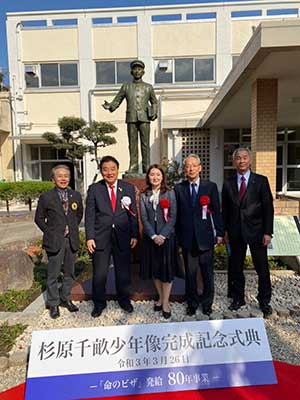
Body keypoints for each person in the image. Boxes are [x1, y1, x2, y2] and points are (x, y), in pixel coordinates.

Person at [222, 148, 274, 317]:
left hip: (257, 231)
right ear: (234, 161)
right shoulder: (228, 182)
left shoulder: (261, 181)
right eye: (238, 158)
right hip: (236, 231)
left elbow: (268, 208)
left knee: (262, 268)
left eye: (245, 158)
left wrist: (268, 232)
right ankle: (238, 298)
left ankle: (264, 300)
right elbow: (225, 210)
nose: (242, 161)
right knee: (236, 267)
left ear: (250, 160)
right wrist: (225, 231)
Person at [85, 155, 138, 318]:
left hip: (122, 235)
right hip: (101, 236)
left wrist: (134, 234)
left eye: (112, 169)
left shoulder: (127, 188)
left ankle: (124, 300)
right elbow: (90, 215)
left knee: (123, 270)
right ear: (101, 172)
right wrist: (89, 237)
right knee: (100, 272)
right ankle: (99, 303)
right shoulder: (95, 189)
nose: (109, 172)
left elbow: (133, 213)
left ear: (117, 170)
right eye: (105, 169)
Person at [174, 154, 223, 316]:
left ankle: (207, 303)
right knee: (190, 273)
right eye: (187, 166)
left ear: (200, 168)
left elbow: (216, 211)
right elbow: (177, 215)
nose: (191, 168)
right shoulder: (179, 188)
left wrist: (220, 233)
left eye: (194, 165)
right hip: (187, 239)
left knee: (207, 272)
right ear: (184, 169)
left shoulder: (210, 187)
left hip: (206, 237)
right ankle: (192, 303)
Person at [35, 165, 83, 319]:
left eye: (66, 176)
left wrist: (72, 228)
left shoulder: (75, 195)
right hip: (55, 240)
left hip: (71, 239)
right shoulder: (46, 197)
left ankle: (66, 298)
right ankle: (54, 303)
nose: (63, 179)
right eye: (60, 176)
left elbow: (79, 214)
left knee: (69, 272)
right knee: (53, 274)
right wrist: (50, 232)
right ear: (53, 179)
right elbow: (39, 218)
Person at [140, 165, 183, 319]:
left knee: (167, 271)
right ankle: (160, 297)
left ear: (162, 177)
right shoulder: (144, 195)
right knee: (155, 270)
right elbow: (144, 218)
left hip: (167, 237)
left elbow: (173, 216)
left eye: (158, 174)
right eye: (152, 174)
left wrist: (163, 235)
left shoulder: (170, 193)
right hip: (150, 238)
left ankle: (165, 302)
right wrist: (153, 236)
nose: (155, 177)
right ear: (148, 177)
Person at [102, 59, 157, 174]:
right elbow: (118, 99)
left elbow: (154, 102)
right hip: (131, 117)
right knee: (132, 144)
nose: (137, 71)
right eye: (135, 69)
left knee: (145, 144)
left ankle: (146, 167)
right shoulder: (126, 87)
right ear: (131, 72)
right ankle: (133, 167)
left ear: (143, 72)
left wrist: (154, 112)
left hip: (144, 118)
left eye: (139, 69)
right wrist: (111, 106)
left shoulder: (148, 87)